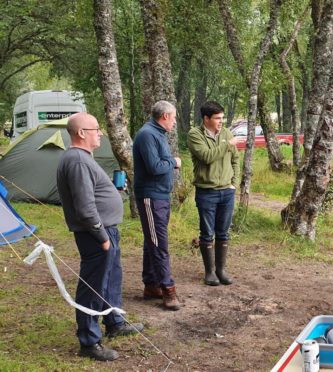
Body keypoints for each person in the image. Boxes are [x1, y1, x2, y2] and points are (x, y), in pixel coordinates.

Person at [57, 112, 143, 361]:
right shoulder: (78, 160)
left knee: (109, 279)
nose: (100, 133)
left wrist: (113, 192)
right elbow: (84, 207)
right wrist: (102, 236)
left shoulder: (82, 158)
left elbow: (91, 194)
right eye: (96, 129)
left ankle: (114, 322)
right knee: (92, 286)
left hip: (105, 231)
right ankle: (89, 341)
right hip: (96, 233)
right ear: (81, 133)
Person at [133, 100, 182, 311]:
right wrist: (174, 162)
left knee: (152, 240)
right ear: (165, 117)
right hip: (150, 197)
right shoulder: (147, 135)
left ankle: (151, 284)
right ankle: (168, 290)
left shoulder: (157, 134)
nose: (174, 121)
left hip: (160, 195)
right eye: (173, 117)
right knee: (158, 242)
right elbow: (155, 167)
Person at [187, 101, 239, 286]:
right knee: (207, 232)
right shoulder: (195, 135)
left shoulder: (226, 133)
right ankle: (209, 272)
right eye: (217, 118)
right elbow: (207, 157)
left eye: (222, 118)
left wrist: (235, 183)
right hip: (206, 192)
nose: (221, 122)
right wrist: (227, 145)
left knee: (223, 232)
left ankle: (221, 270)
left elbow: (235, 160)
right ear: (206, 118)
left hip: (227, 191)